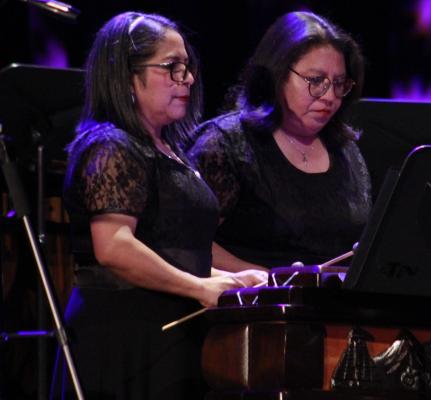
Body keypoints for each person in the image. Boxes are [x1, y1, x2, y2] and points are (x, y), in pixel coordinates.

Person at [56, 12, 268, 398]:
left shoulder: (169, 150)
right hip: (126, 335)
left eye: (187, 67)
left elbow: (170, 249)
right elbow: (114, 246)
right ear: (126, 75)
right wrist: (200, 286)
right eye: (172, 67)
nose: (187, 79)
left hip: (171, 333)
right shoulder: (110, 146)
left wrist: (232, 280)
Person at [188, 11, 371, 268]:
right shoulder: (224, 145)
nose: (330, 96)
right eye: (316, 80)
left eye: (339, 83)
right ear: (277, 75)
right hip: (254, 292)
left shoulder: (345, 149)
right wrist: (266, 277)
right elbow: (186, 240)